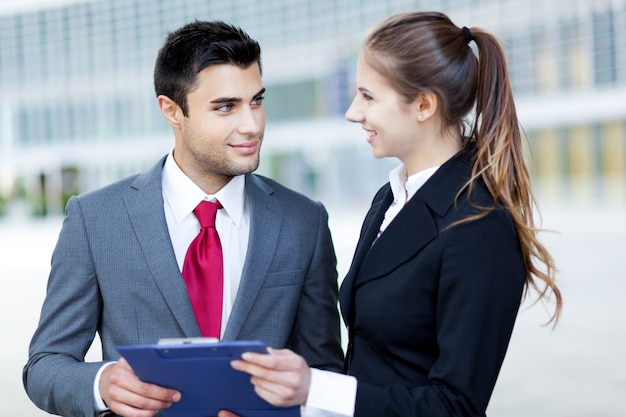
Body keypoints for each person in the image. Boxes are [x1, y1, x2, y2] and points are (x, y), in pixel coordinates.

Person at [227, 11, 563, 417]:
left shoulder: (479, 226)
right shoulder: (390, 197)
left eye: (368, 96)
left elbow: (456, 407)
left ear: (423, 105)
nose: (353, 112)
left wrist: (316, 387)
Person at [23, 20, 344, 417]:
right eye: (225, 106)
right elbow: (45, 364)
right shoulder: (95, 219)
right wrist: (102, 383)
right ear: (171, 111)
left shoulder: (304, 221)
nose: (252, 125)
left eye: (256, 101)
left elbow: (324, 371)